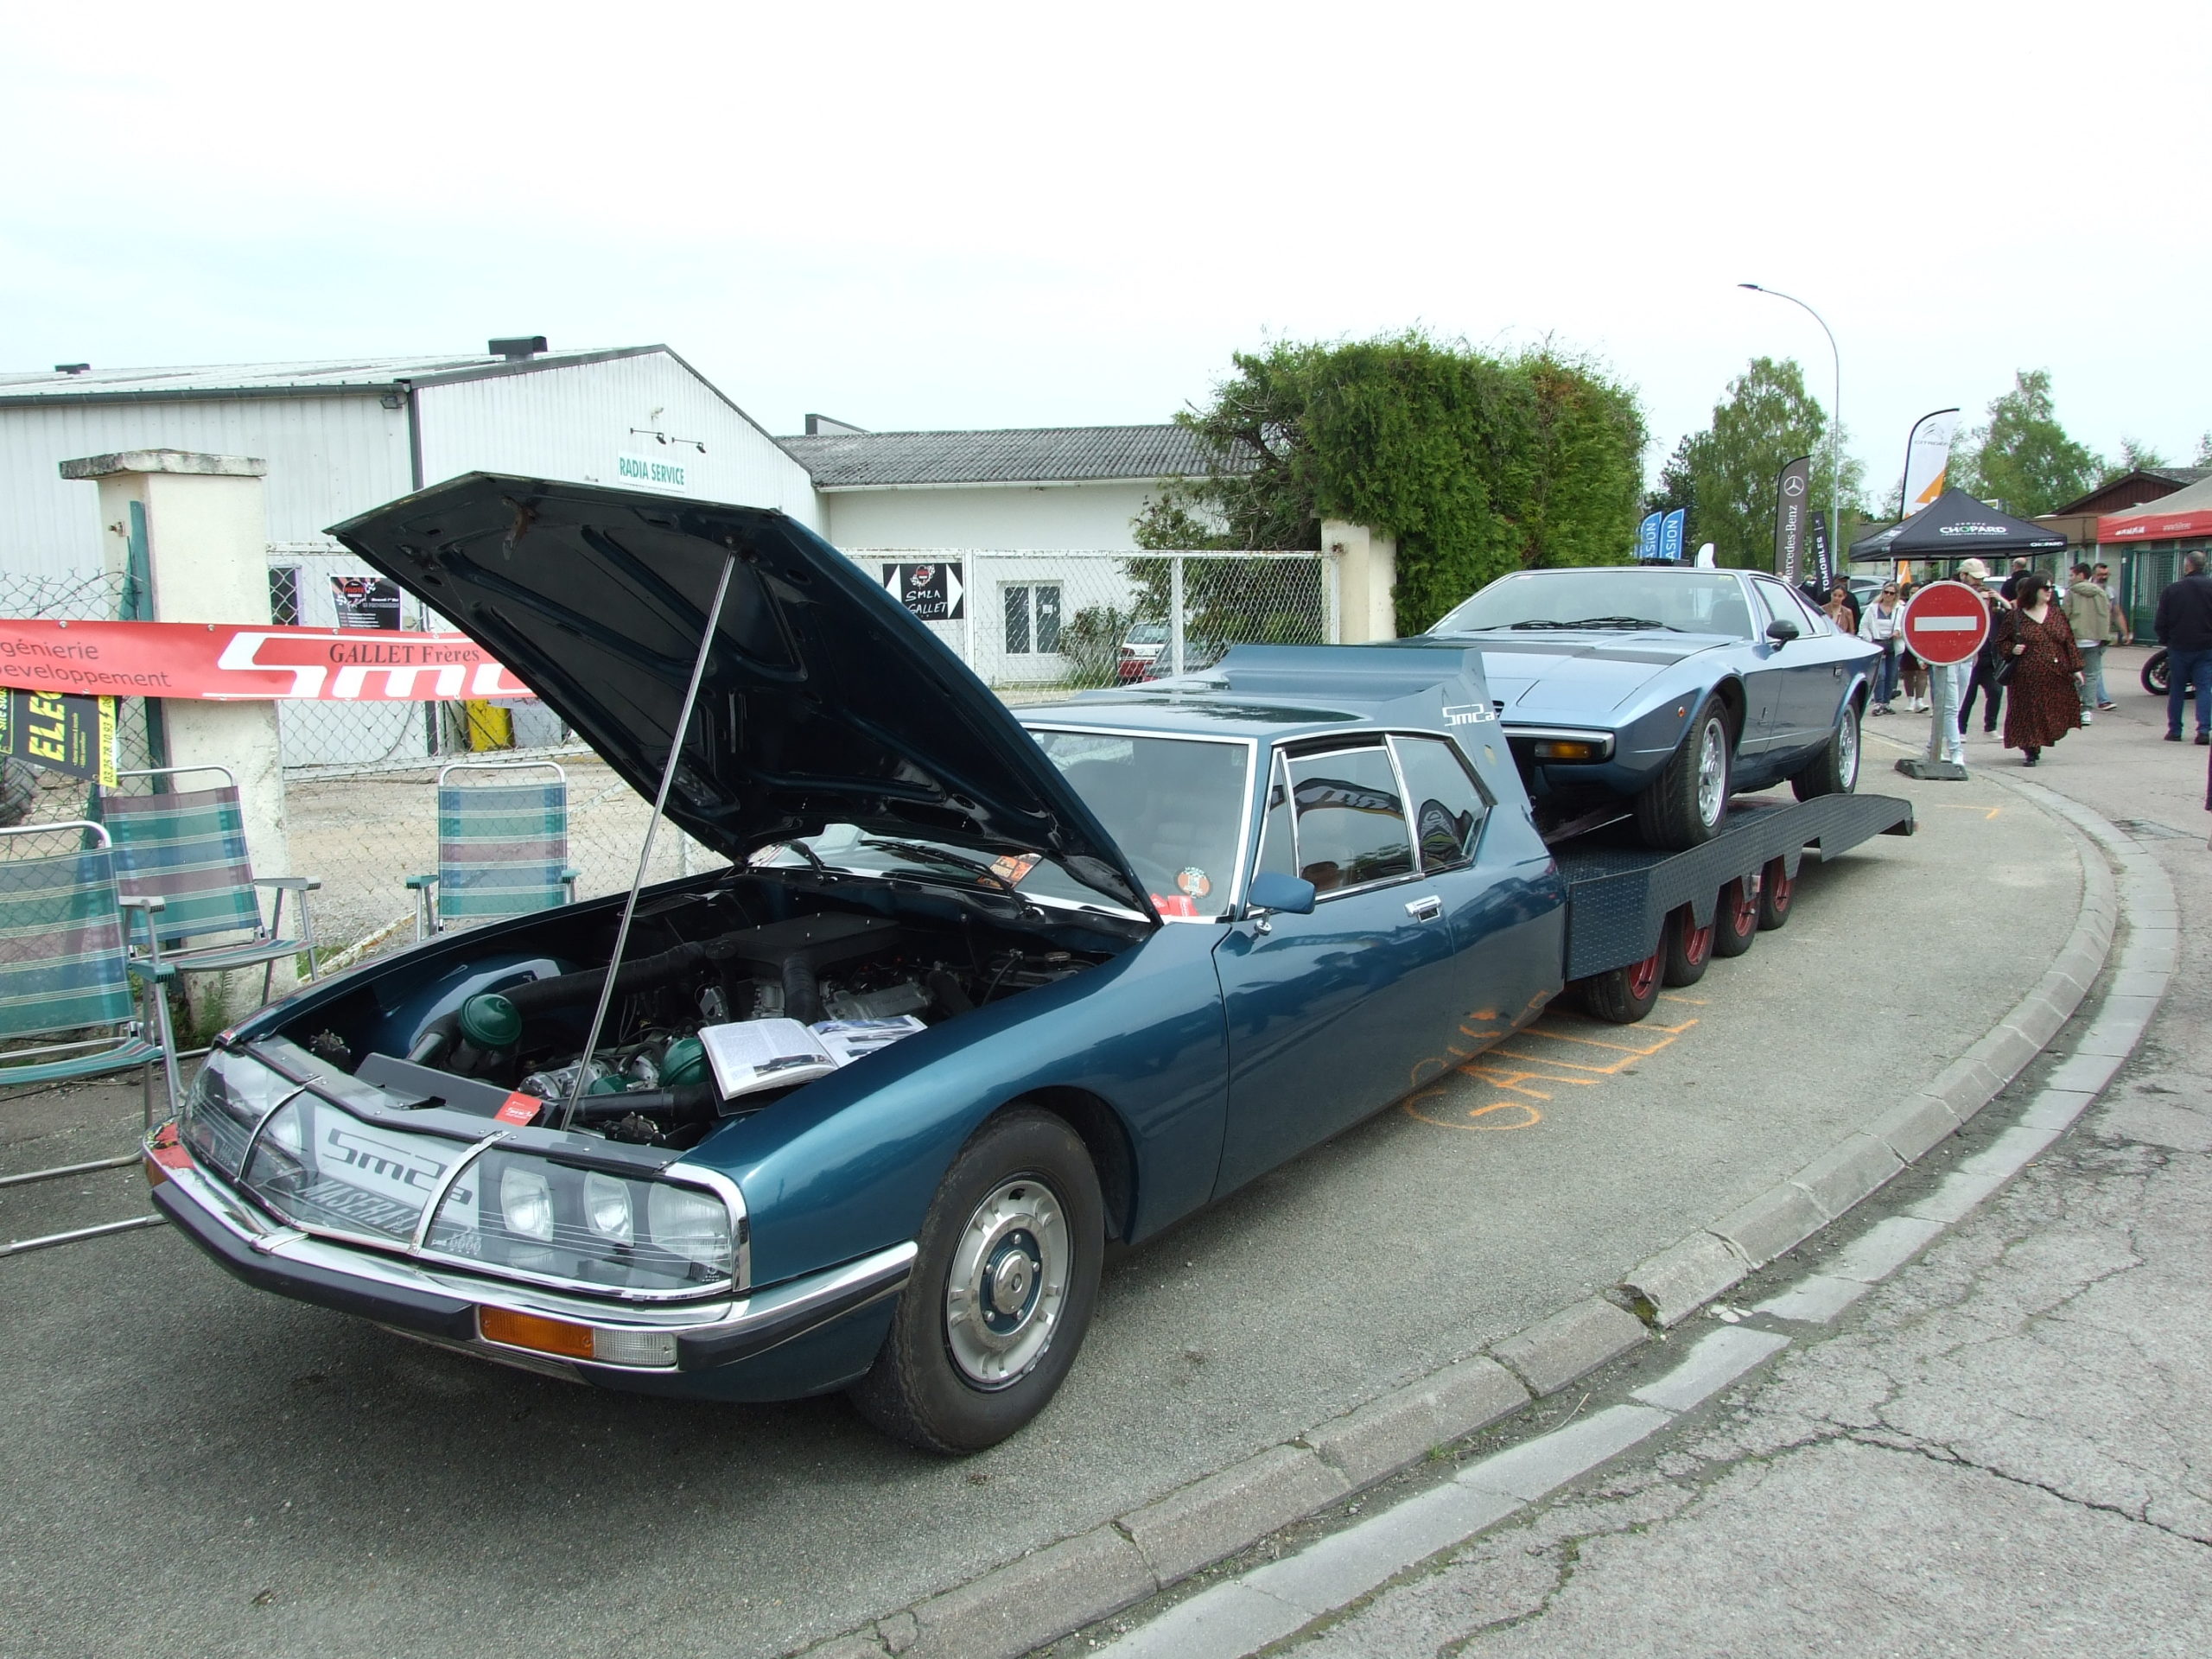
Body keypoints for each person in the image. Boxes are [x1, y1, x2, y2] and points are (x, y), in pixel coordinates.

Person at [1997, 572, 2085, 766]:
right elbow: (2001, 641)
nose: (2049, 591)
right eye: (2045, 588)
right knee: (2028, 712)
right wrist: (2012, 649)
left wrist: (2076, 668)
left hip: (2055, 673)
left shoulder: (2056, 614)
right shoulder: (2016, 616)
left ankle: (2042, 739)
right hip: (2025, 676)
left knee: (2052, 710)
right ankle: (2031, 748)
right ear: (2033, 590)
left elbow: (2068, 642)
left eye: (2051, 588)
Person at [2154, 550, 2212, 744]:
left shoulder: (2173, 590)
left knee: (2177, 688)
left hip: (2179, 646)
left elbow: (2161, 620)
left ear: (2188, 565)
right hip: (2206, 646)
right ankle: (2204, 731)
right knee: (2204, 688)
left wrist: (2165, 639)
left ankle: (2175, 730)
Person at [1956, 558, 2011, 736]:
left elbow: (2013, 618)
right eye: (1975, 578)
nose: (1978, 582)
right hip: (1968, 657)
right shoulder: (1960, 597)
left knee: (1995, 691)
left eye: (1981, 579)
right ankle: (1960, 729)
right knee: (1967, 695)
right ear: (1963, 575)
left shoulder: (1995, 611)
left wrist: (2000, 600)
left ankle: (1990, 727)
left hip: (1989, 659)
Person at [2061, 562, 2112, 728]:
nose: (2070, 578)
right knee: (2091, 676)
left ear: (2081, 575)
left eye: (2072, 575)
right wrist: (2104, 636)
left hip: (2075, 639)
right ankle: (2087, 710)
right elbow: (2106, 615)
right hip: (2095, 640)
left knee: (2073, 674)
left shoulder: (2071, 593)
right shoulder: (2101, 593)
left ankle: (2073, 707)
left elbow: (2065, 615)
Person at [1857, 582, 1906, 714]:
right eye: (1886, 592)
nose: (1888, 595)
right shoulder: (1872, 609)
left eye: (1891, 593)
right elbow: (1864, 626)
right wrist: (1870, 640)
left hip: (1893, 645)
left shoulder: (1900, 609)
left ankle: (1886, 703)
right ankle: (1878, 702)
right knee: (1881, 674)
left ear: (1896, 595)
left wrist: (1898, 632)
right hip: (1877, 644)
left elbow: (1906, 625)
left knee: (1891, 675)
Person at [2090, 561, 2126, 709]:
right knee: (2093, 668)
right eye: (2100, 574)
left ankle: (2100, 699)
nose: (2104, 577)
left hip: (2102, 636)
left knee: (2093, 668)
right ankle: (2102, 699)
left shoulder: (2110, 592)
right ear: (2093, 575)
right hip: (2086, 635)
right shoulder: (2085, 590)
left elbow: (2117, 613)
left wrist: (2125, 633)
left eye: (2106, 574)